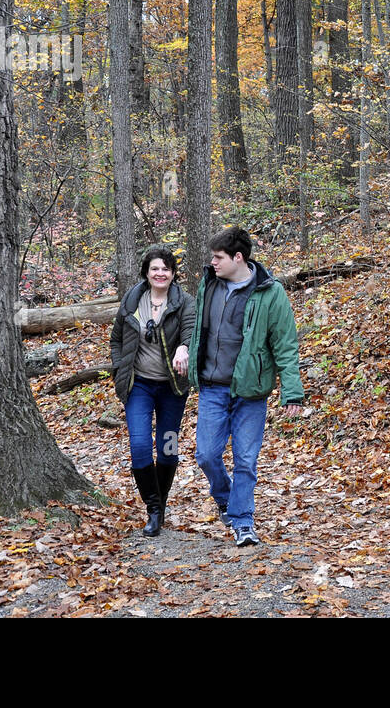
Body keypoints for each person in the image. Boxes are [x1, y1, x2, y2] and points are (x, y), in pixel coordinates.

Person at [189, 226, 305, 546]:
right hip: (212, 386)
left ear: (238, 258)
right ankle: (225, 498)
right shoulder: (209, 284)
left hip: (251, 391)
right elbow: (198, 326)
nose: (212, 262)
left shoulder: (270, 292)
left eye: (218, 257)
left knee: (245, 460)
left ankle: (243, 521)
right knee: (207, 455)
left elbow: (285, 344)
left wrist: (292, 391)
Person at [110, 245, 196, 537]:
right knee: (140, 447)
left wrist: (184, 348)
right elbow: (117, 339)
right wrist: (118, 368)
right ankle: (154, 508)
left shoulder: (185, 302)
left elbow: (191, 330)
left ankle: (161, 502)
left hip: (173, 388)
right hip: (139, 386)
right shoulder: (132, 300)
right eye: (155, 268)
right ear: (146, 273)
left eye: (166, 269)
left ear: (173, 273)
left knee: (168, 447)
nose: (161, 274)